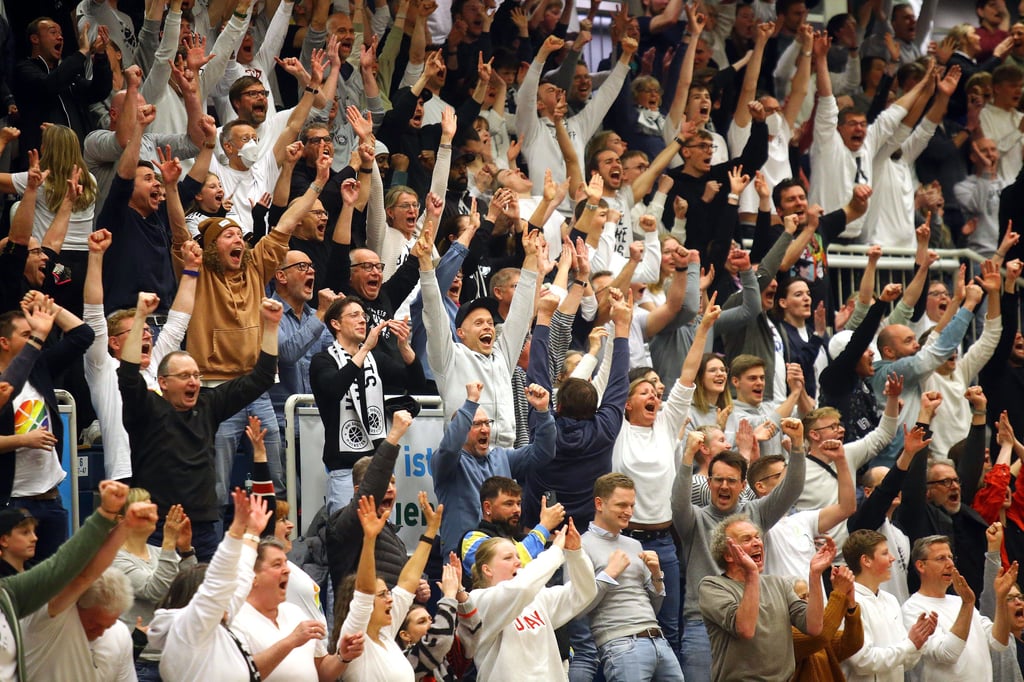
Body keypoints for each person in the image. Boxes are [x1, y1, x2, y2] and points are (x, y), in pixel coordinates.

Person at [117, 294, 283, 562]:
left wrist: (272, 326)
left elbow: (261, 378)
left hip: (203, 527)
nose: (193, 381)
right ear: (163, 382)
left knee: (206, 599)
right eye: (184, 376)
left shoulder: (209, 405)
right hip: (157, 526)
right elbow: (127, 375)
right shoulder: (145, 409)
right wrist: (139, 318)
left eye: (196, 375)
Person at [672, 418, 808, 682]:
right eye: (719, 480)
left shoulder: (756, 512)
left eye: (732, 481)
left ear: (743, 485)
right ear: (709, 482)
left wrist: (799, 447)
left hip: (752, 618)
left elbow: (791, 489)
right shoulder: (694, 519)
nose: (724, 486)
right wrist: (688, 457)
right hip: (702, 621)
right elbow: (677, 504)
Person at [82, 228, 200, 481]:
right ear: (113, 342)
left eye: (147, 330)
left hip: (169, 472)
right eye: (136, 330)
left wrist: (191, 269)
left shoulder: (157, 365)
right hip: (128, 475)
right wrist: (95, 256)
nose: (147, 335)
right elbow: (92, 314)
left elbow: (178, 321)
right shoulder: (102, 367)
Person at [310, 296, 425, 515]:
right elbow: (335, 387)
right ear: (335, 324)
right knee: (346, 537)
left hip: (378, 466)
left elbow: (416, 383)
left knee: (383, 537)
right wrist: (365, 350)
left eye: (364, 316)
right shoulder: (322, 360)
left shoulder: (375, 359)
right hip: (344, 470)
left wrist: (404, 347)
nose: (362, 320)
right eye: (354, 315)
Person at [0, 293, 93, 559]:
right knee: (13, 584)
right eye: (27, 335)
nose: (35, 340)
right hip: (11, 501)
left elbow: (82, 335)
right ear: (4, 342)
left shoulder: (39, 368)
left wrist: (51, 306)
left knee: (53, 582)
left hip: (50, 499)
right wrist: (22, 440)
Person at [698, 514, 832, 681]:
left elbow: (814, 627)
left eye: (757, 537)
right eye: (746, 539)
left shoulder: (778, 584)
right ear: (728, 555)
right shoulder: (712, 586)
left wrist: (815, 575)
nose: (757, 543)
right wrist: (752, 574)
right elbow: (745, 629)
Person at [461, 518, 598, 680]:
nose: (518, 562)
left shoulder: (537, 597)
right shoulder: (479, 601)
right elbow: (522, 587)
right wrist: (555, 551)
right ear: (487, 570)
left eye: (518, 557)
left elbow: (585, 592)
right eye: (508, 558)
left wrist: (576, 554)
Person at [433, 380, 556, 558]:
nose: (484, 429)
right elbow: (449, 447)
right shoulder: (447, 462)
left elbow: (543, 452)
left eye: (487, 423)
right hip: (462, 560)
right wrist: (471, 402)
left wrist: (543, 412)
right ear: (460, 430)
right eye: (476, 424)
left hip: (503, 556)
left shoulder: (501, 457)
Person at [579, 472, 683, 681]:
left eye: (631, 506)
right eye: (621, 505)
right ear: (599, 504)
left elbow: (654, 607)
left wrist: (656, 576)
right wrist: (609, 574)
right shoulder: (580, 546)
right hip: (620, 644)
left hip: (658, 638)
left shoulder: (635, 545)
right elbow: (577, 606)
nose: (628, 512)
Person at [333, 490, 445, 681]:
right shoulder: (356, 637)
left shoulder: (385, 633)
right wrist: (369, 540)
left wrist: (431, 531)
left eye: (388, 593)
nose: (390, 598)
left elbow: (408, 582)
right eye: (383, 594)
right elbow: (365, 591)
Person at [229, 538, 344, 681]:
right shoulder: (235, 622)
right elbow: (241, 674)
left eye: (286, 563)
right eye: (277, 565)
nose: (287, 570)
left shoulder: (295, 613)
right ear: (252, 576)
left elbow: (321, 672)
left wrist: (343, 656)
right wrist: (291, 641)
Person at [901, 534, 1014, 681]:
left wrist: (1001, 599)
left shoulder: (958, 601)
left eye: (950, 558)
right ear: (921, 566)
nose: (950, 564)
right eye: (941, 558)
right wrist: (967, 604)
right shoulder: (913, 608)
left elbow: (999, 643)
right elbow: (948, 654)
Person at [113, 489, 197, 681]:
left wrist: (185, 551)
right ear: (120, 519)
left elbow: (189, 591)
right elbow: (154, 591)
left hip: (173, 658)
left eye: (151, 506)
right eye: (142, 508)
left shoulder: (160, 553)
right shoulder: (114, 558)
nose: (151, 513)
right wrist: (169, 543)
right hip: (141, 662)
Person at [12, 19, 111, 170]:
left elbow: (99, 91)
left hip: (78, 163)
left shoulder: (68, 76)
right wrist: (82, 52)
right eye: (53, 32)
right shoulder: (24, 69)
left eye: (61, 33)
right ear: (35, 39)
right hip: (44, 165)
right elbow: (49, 85)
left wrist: (101, 56)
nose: (60, 37)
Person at [840, 529, 937, 682]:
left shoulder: (890, 600)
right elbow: (862, 661)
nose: (892, 558)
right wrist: (910, 644)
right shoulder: (848, 602)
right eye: (885, 553)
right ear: (866, 560)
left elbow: (904, 664)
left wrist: (919, 641)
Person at [460, 476, 565, 573]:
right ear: (488, 507)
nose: (517, 510)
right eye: (509, 504)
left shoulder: (517, 539)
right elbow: (511, 566)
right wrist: (544, 527)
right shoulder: (472, 540)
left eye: (518, 504)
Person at [0, 508, 37, 576]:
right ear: (4, 541)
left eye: (34, 532)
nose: (35, 538)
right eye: (25, 533)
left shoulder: (36, 573)